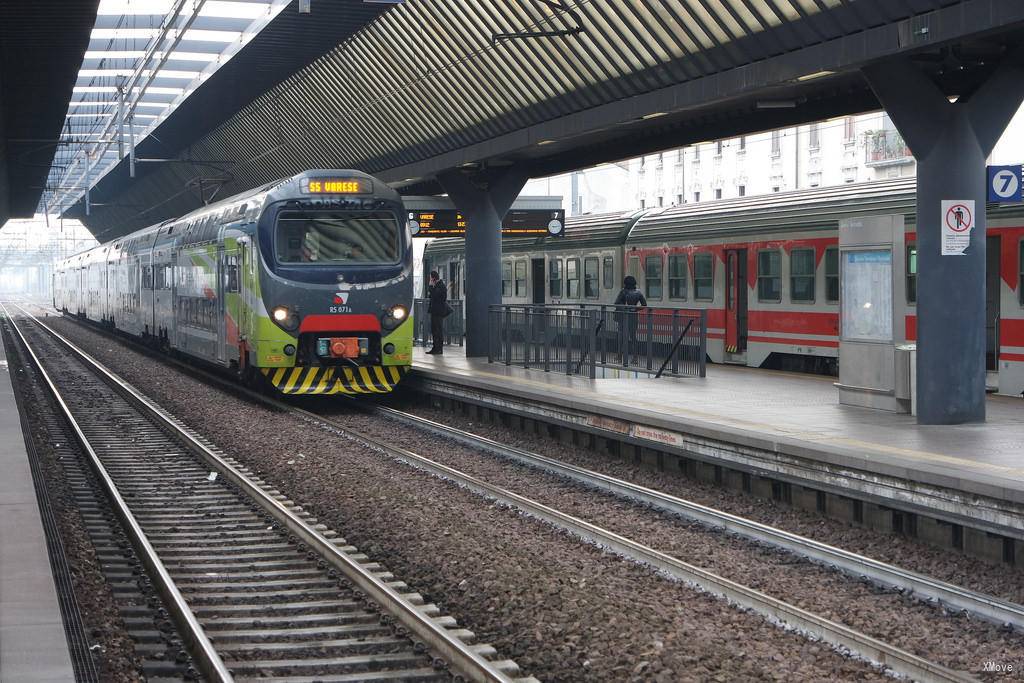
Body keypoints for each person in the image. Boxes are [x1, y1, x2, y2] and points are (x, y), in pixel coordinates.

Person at [614, 275, 647, 363]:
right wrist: (635, 309)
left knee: (621, 336)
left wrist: (625, 308)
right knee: (633, 337)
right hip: (634, 316)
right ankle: (635, 358)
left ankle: (620, 356)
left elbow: (616, 303)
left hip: (623, 317)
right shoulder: (638, 293)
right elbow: (644, 305)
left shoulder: (623, 292)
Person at [426, 270, 448, 354]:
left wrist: (431, 286)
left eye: (430, 278)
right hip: (434, 311)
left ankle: (439, 349)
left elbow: (435, 296)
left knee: (438, 330)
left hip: (438, 312)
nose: (430, 280)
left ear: (433, 278)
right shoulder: (436, 285)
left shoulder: (440, 286)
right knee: (434, 330)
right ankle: (435, 347)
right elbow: (430, 295)